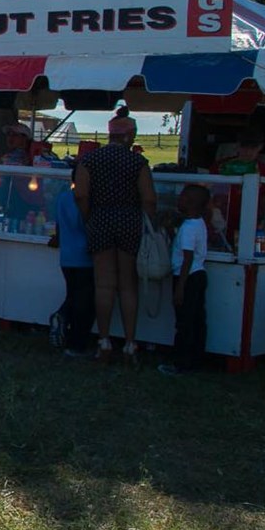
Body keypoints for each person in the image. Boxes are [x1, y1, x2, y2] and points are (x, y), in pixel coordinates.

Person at [74, 107, 157, 364]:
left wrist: (89, 216)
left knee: (104, 284)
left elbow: (81, 194)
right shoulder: (137, 162)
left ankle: (104, 339)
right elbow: (149, 198)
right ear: (129, 135)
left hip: (100, 219)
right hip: (129, 221)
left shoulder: (90, 161)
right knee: (128, 284)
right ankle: (131, 343)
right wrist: (152, 223)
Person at [160, 185, 210, 376]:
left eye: (182, 197)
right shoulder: (197, 224)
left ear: (190, 202)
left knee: (185, 323)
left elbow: (187, 258)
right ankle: (196, 360)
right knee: (197, 320)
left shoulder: (189, 227)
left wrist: (180, 288)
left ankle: (181, 362)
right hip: (198, 275)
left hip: (187, 277)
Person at [50, 168, 95, 358]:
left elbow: (59, 227)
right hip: (85, 256)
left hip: (67, 256)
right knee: (84, 302)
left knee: (73, 295)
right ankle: (76, 343)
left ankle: (63, 319)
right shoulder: (89, 200)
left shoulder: (62, 198)